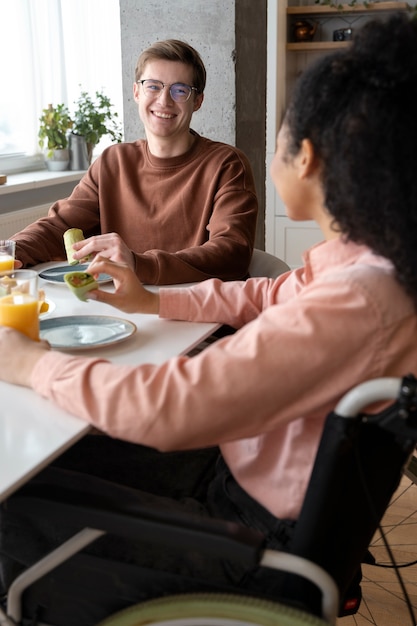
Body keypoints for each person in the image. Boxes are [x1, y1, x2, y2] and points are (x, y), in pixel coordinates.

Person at [1, 12, 417, 622]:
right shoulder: (366, 269)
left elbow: (169, 406)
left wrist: (30, 362)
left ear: (305, 158)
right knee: (54, 459)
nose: (162, 101)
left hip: (250, 541)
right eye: (151, 85)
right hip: (240, 468)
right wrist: (151, 299)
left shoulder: (356, 301)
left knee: (11, 506)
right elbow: (262, 294)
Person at [11, 39, 258, 285]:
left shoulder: (227, 164)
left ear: (198, 101)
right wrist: (12, 250)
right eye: (153, 86)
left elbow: (231, 252)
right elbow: (60, 226)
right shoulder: (112, 161)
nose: (164, 101)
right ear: (136, 92)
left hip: (197, 309)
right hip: (122, 307)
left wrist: (139, 264)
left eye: (180, 90)